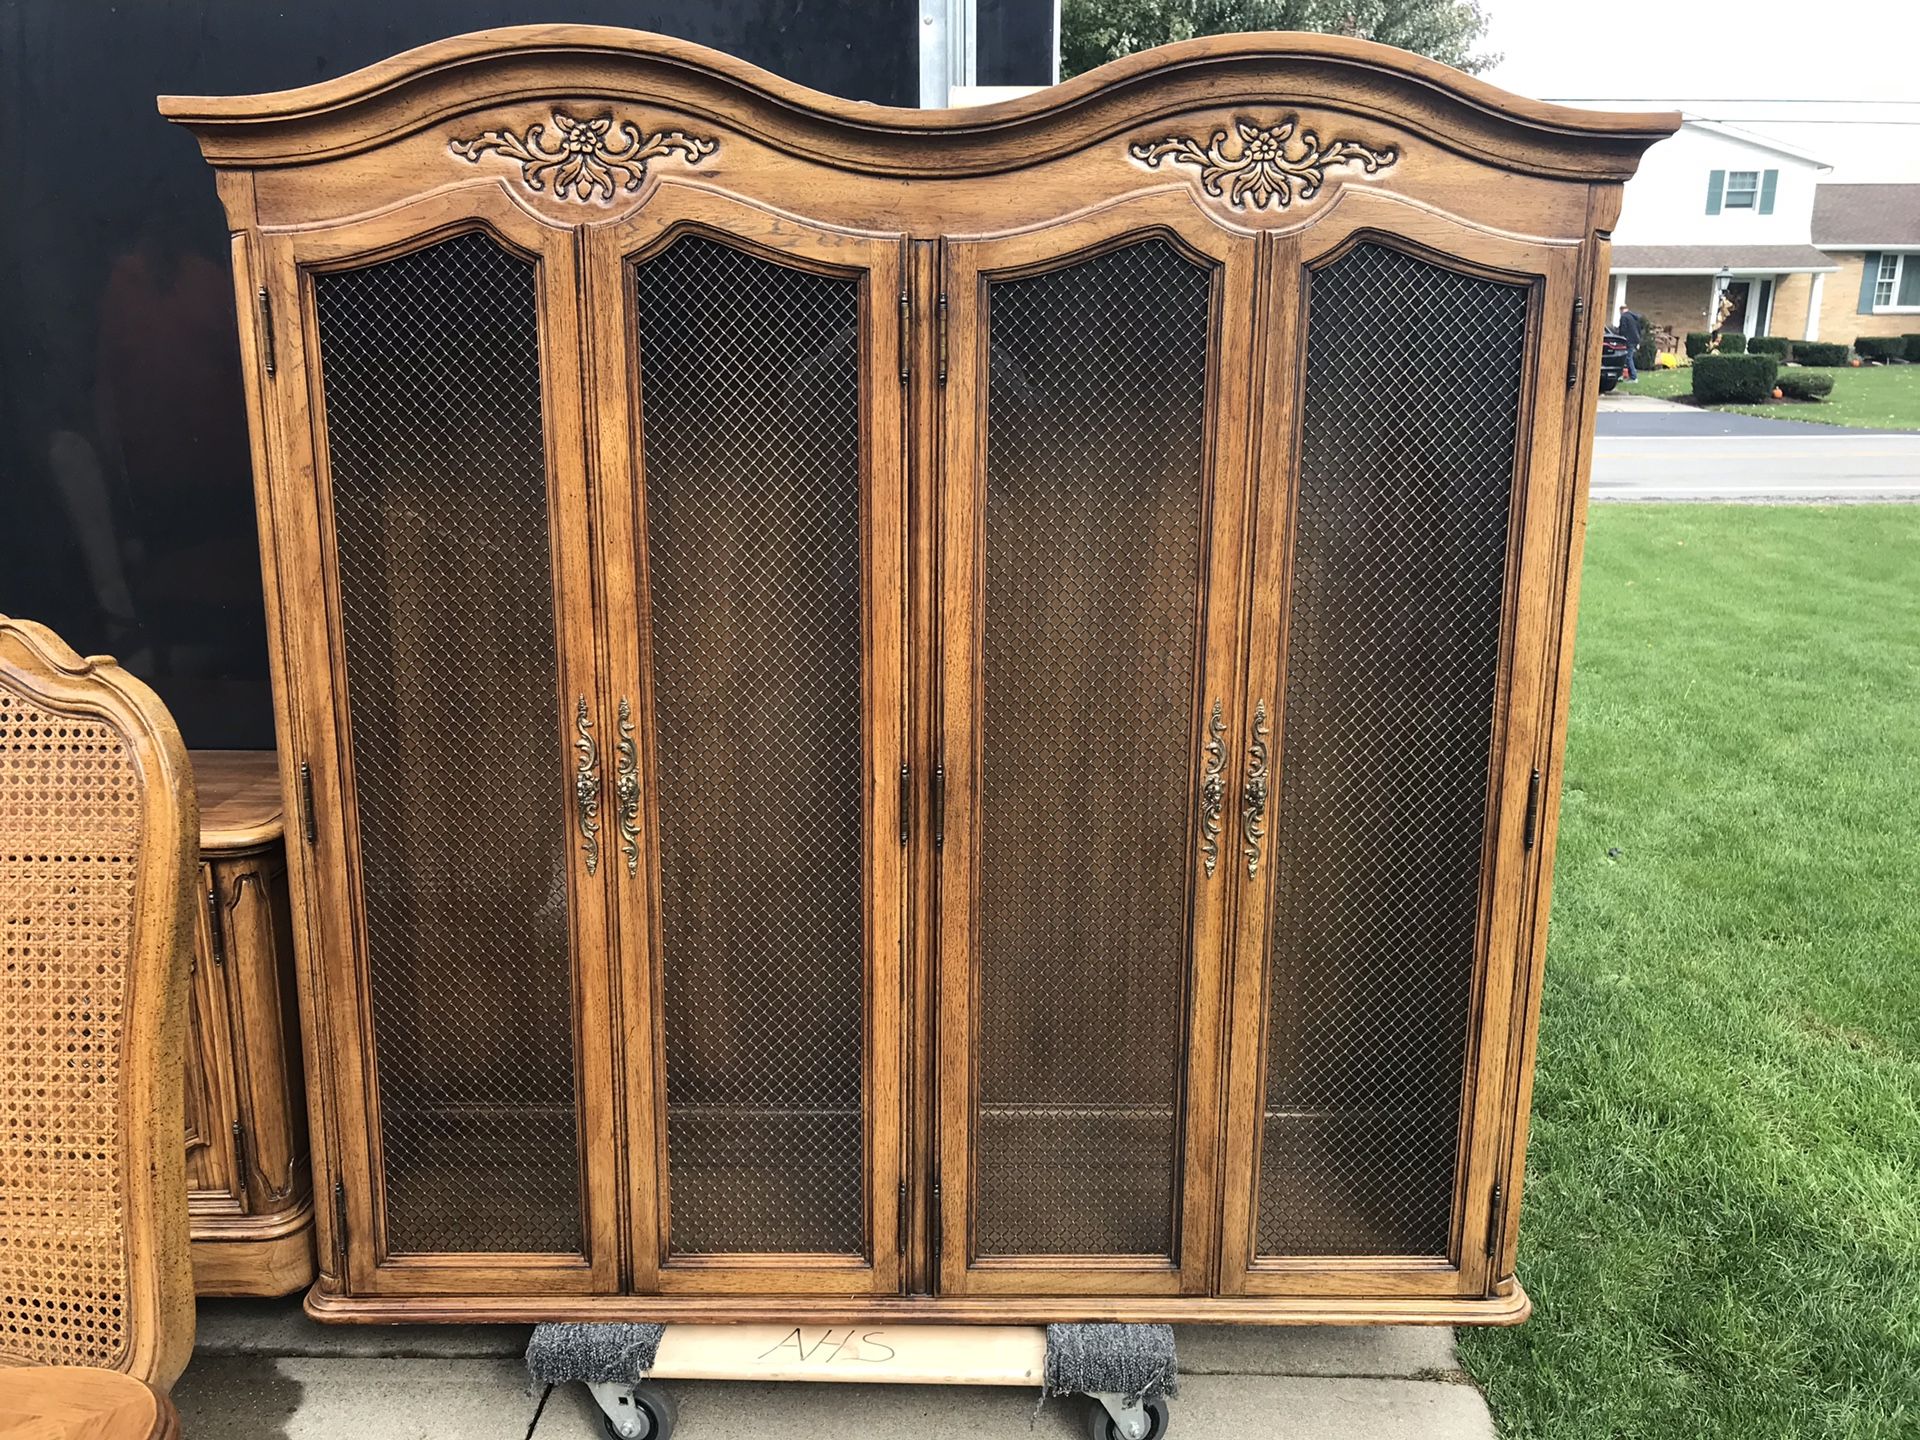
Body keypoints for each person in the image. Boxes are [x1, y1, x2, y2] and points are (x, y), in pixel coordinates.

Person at [1617, 307, 1645, 381]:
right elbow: (1639, 328)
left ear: (1621, 310)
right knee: (1627, 357)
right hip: (1635, 339)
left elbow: (1623, 329)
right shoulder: (1634, 317)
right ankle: (1624, 375)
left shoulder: (1624, 317)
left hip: (1628, 340)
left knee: (1628, 358)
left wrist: (1620, 337)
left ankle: (1633, 377)